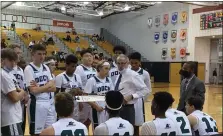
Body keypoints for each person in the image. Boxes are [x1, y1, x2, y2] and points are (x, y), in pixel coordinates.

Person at [24, 44, 56, 135]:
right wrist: (47, 86)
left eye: (43, 54)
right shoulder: (29, 69)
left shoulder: (45, 67)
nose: (42, 56)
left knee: (50, 131)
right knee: (36, 133)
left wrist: (39, 87)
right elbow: (33, 91)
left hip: (48, 103)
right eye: (39, 54)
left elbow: (53, 88)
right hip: (36, 103)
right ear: (33, 54)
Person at [115, 54, 149, 126]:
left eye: (123, 63)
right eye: (118, 63)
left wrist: (132, 96)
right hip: (117, 107)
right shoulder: (119, 74)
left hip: (127, 108)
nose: (120, 65)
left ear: (127, 63)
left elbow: (145, 90)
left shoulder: (132, 74)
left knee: (128, 130)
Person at [1, 48, 25, 136]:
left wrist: (21, 93)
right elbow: (15, 97)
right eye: (11, 61)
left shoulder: (9, 74)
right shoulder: (3, 74)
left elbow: (18, 92)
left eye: (15, 61)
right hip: (10, 118)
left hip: (14, 116)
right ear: (2, 60)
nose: (13, 64)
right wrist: (22, 92)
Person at [84, 60, 114, 129]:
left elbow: (111, 95)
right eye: (106, 68)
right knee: (97, 129)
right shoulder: (92, 80)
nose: (108, 71)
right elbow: (84, 96)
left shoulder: (109, 80)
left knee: (108, 129)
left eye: (109, 69)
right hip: (96, 110)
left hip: (108, 109)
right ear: (100, 68)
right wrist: (96, 106)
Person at [129, 52, 152, 136]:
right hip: (128, 100)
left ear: (140, 62)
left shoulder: (145, 73)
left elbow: (148, 89)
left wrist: (142, 99)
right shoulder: (126, 72)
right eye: (131, 63)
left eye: (136, 63)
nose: (133, 65)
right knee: (128, 123)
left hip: (138, 100)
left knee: (137, 124)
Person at [8, 44, 29, 133]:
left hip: (21, 105)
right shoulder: (6, 70)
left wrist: (26, 94)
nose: (19, 55)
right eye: (17, 53)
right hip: (10, 106)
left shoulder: (20, 70)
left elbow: (23, 86)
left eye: (20, 53)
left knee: (21, 130)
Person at [55, 54, 83, 120]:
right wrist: (70, 92)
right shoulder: (60, 77)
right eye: (72, 66)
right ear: (66, 65)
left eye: (75, 66)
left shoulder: (78, 77)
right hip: (64, 106)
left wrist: (80, 102)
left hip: (75, 105)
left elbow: (80, 92)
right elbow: (56, 94)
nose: (74, 68)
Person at [74, 49, 96, 129]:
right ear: (81, 58)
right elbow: (76, 85)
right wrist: (79, 101)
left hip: (93, 98)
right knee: (81, 121)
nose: (89, 58)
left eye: (90, 56)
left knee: (89, 121)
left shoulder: (95, 70)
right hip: (83, 98)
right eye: (86, 56)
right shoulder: (79, 69)